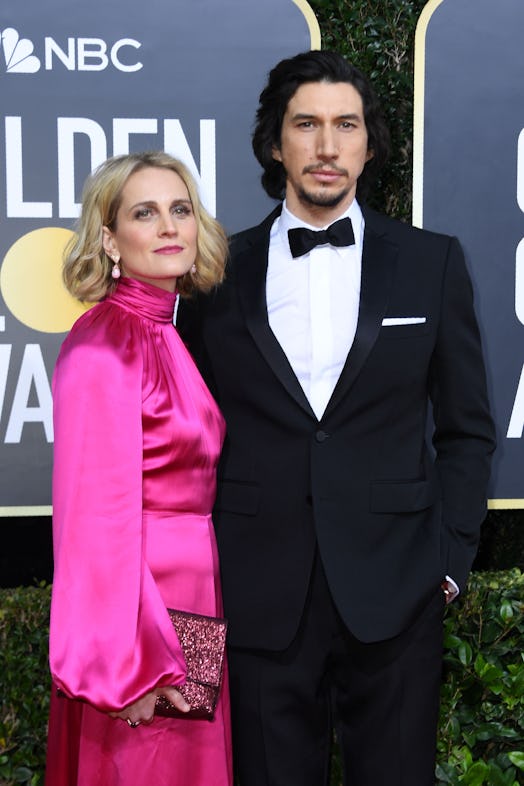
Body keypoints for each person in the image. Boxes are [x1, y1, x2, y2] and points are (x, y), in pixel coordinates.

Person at [177, 51, 496, 786]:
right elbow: (185, 437)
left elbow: (467, 429)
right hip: (256, 594)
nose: (327, 147)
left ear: (370, 143)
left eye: (345, 125)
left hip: (396, 593)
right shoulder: (214, 272)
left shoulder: (431, 263)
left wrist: (448, 564)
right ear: (274, 143)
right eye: (307, 125)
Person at [45, 151, 232, 786]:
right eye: (144, 213)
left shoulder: (167, 333)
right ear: (109, 238)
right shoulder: (104, 343)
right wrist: (121, 668)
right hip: (137, 629)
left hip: (195, 600)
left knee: (193, 768)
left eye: (180, 210)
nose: (169, 227)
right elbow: (91, 525)